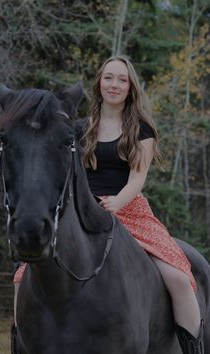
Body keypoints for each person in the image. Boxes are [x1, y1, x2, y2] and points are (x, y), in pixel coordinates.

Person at [75, 55, 204, 354]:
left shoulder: (141, 129)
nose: (114, 85)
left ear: (131, 87)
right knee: (22, 277)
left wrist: (116, 203)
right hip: (82, 210)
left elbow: (137, 178)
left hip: (128, 209)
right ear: (99, 83)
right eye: (109, 78)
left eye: (122, 79)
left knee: (180, 279)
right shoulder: (80, 128)